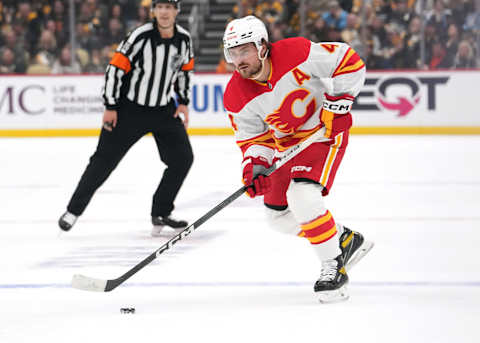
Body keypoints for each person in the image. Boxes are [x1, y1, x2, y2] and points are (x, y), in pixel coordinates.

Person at [222, 15, 373, 303]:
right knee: (277, 217)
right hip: (287, 148)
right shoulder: (235, 94)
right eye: (233, 53)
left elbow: (348, 60)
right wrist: (256, 166)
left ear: (262, 46)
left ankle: (333, 266)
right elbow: (253, 139)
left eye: (244, 50)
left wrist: (338, 105)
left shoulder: (296, 52)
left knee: (302, 196)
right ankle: (343, 239)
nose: (238, 60)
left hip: (323, 135)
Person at [59, 0, 194, 237]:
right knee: (102, 162)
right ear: (153, 11)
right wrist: (111, 105)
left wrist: (182, 101)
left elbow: (184, 71)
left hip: (163, 110)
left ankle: (161, 211)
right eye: (160, 7)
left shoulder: (183, 40)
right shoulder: (140, 36)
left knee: (183, 158)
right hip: (129, 110)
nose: (164, 12)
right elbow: (115, 69)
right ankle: (73, 211)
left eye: (169, 7)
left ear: (176, 11)